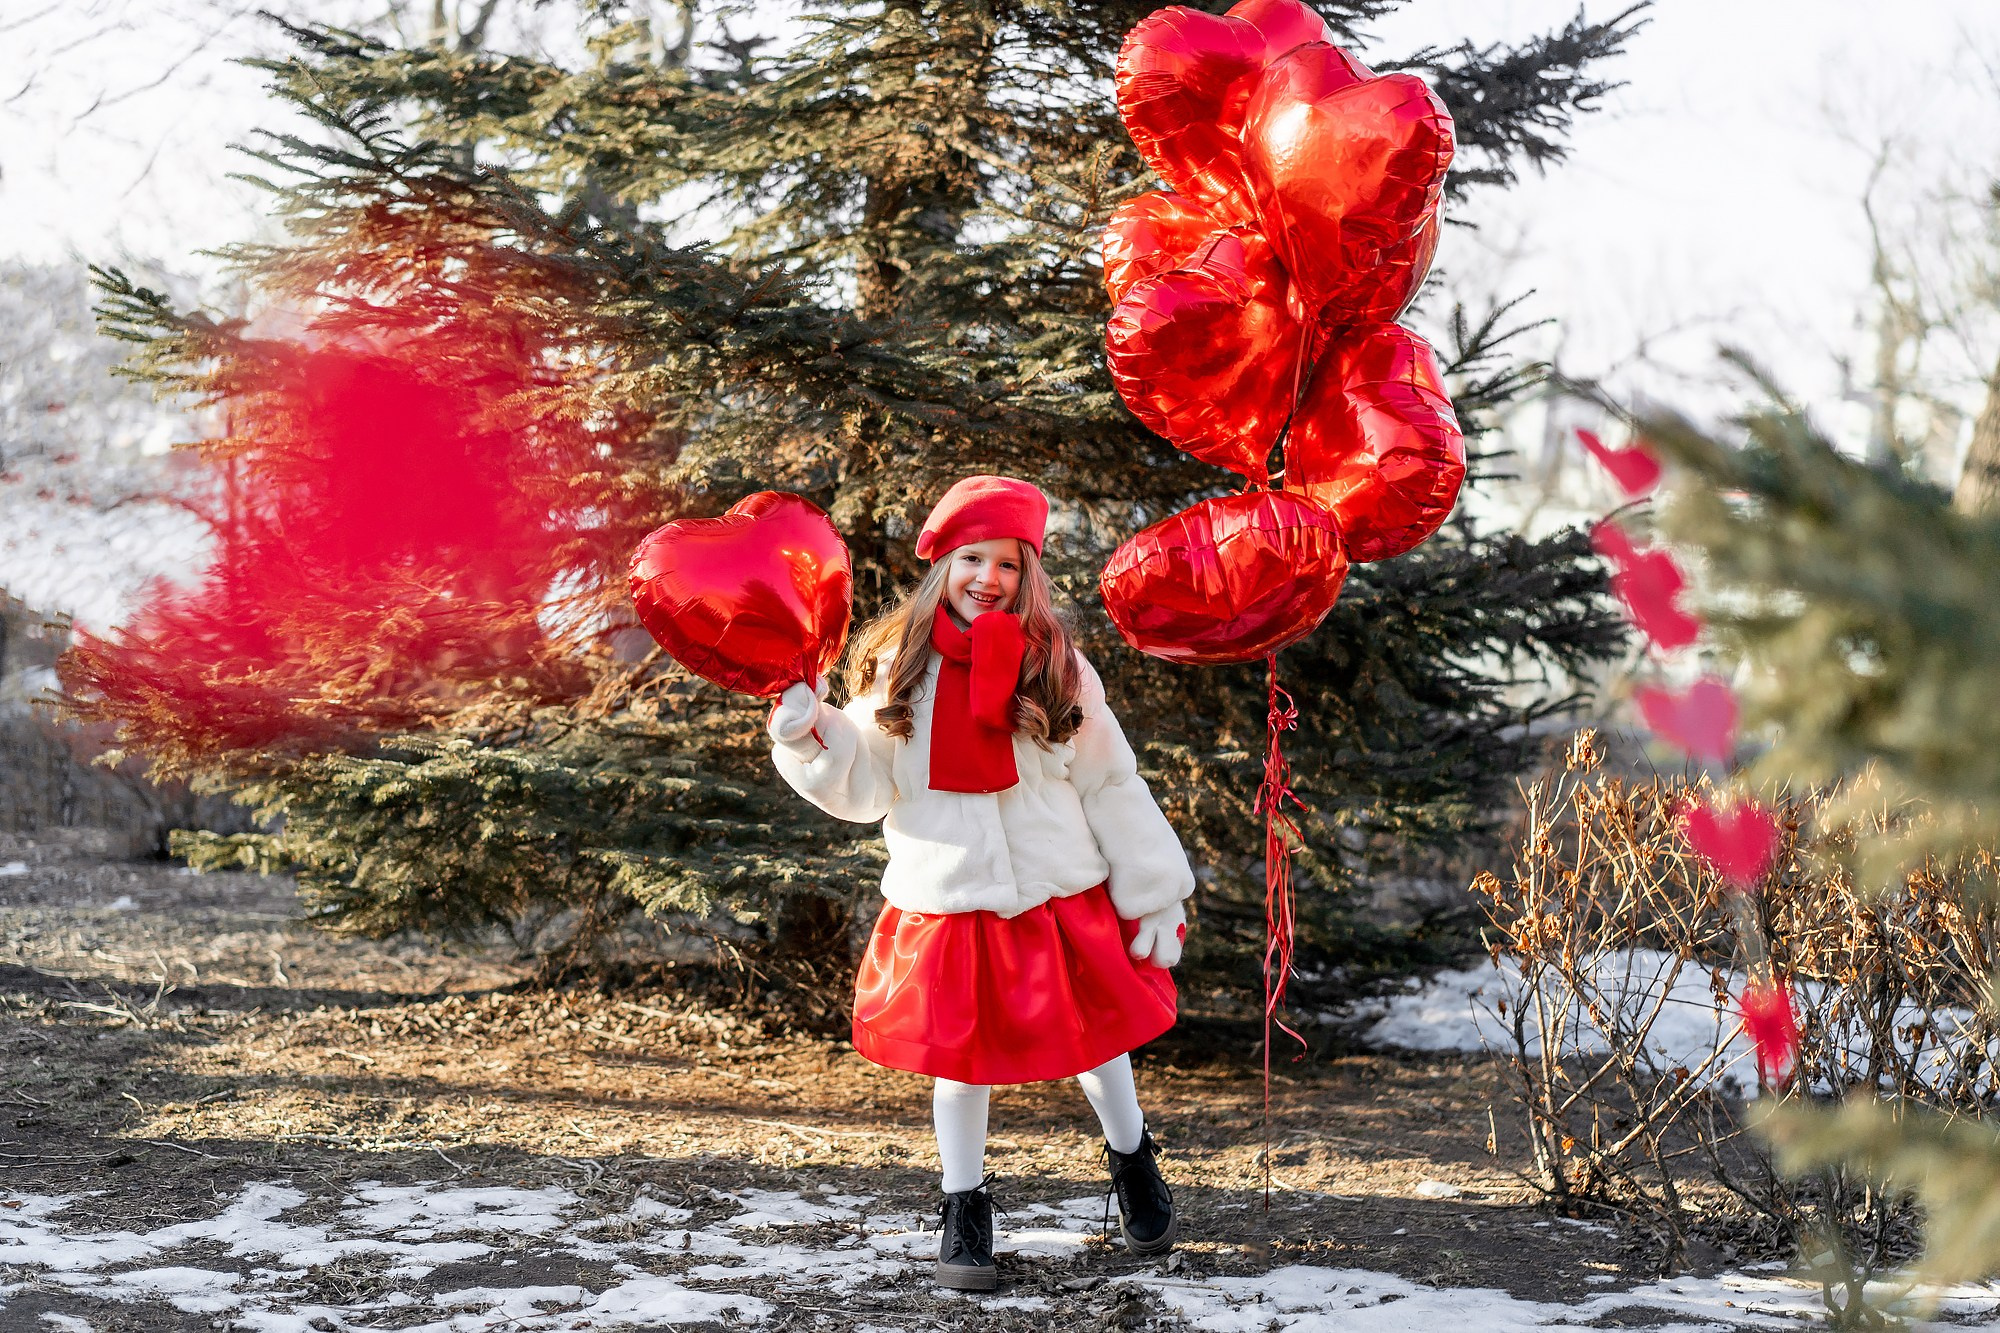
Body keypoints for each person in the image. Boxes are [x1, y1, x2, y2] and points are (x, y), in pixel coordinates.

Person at [764, 475, 1195, 1292]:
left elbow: (1109, 782)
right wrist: (809, 737)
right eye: (972, 558)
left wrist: (1155, 889)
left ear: (1027, 575)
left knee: (1100, 1047)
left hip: (1056, 893)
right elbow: (862, 783)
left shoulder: (1058, 665)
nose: (987, 577)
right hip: (950, 897)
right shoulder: (900, 667)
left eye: (1007, 562)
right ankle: (964, 1205)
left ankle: (1133, 1158)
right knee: (960, 1068)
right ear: (942, 566)